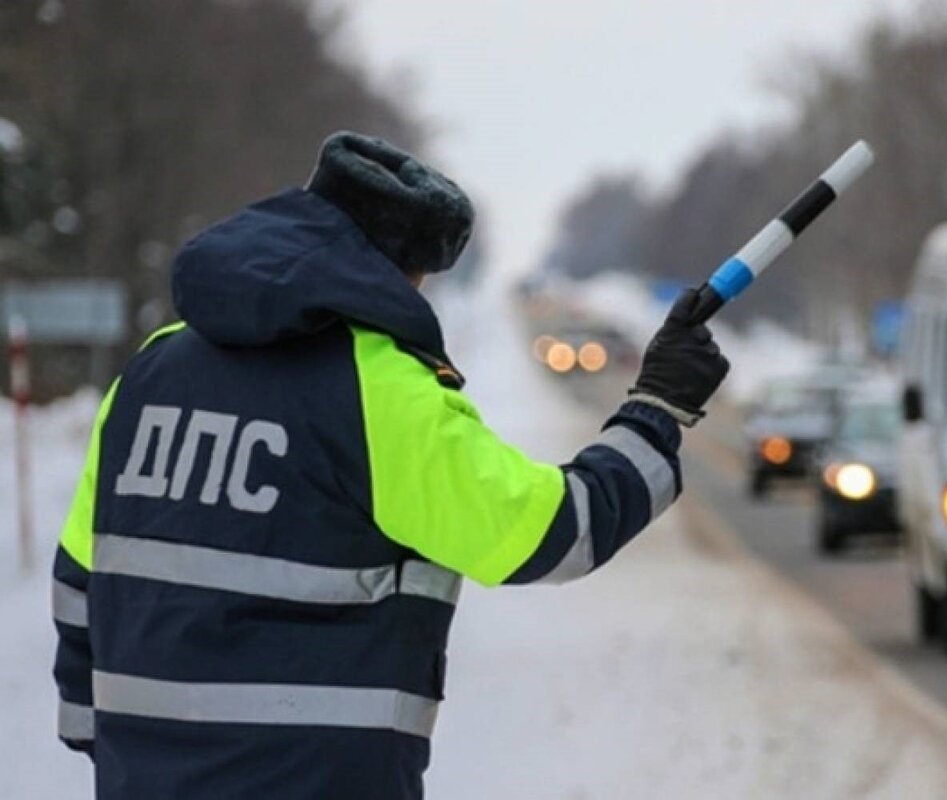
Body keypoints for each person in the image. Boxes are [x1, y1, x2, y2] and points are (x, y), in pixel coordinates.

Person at [51, 132, 729, 799]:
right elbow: (552, 530)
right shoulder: (379, 390)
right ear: (394, 271)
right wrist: (657, 409)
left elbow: (80, 576)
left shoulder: (151, 370)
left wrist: (110, 748)